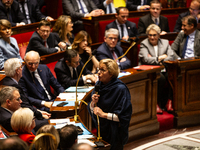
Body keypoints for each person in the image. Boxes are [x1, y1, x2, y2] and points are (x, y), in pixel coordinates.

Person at [88, 59, 132, 150]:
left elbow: (124, 116)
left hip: (116, 133)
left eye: (103, 70)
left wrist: (104, 115)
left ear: (111, 73)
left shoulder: (121, 89)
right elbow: (92, 109)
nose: (99, 73)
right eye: (98, 69)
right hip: (102, 130)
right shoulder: (98, 85)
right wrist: (93, 103)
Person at [3, 58, 50, 131]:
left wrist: (39, 111)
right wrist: (39, 114)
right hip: (24, 119)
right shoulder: (13, 85)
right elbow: (24, 105)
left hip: (26, 115)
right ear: (17, 71)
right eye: (21, 67)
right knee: (49, 123)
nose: (22, 69)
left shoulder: (9, 81)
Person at [139, 24, 175, 113]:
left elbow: (171, 56)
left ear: (159, 35)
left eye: (154, 35)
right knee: (161, 79)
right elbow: (146, 59)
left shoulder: (165, 42)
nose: (152, 37)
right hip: (150, 70)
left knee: (172, 76)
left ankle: (169, 101)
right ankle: (155, 103)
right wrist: (160, 58)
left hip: (164, 68)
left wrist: (157, 59)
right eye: (150, 35)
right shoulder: (144, 43)